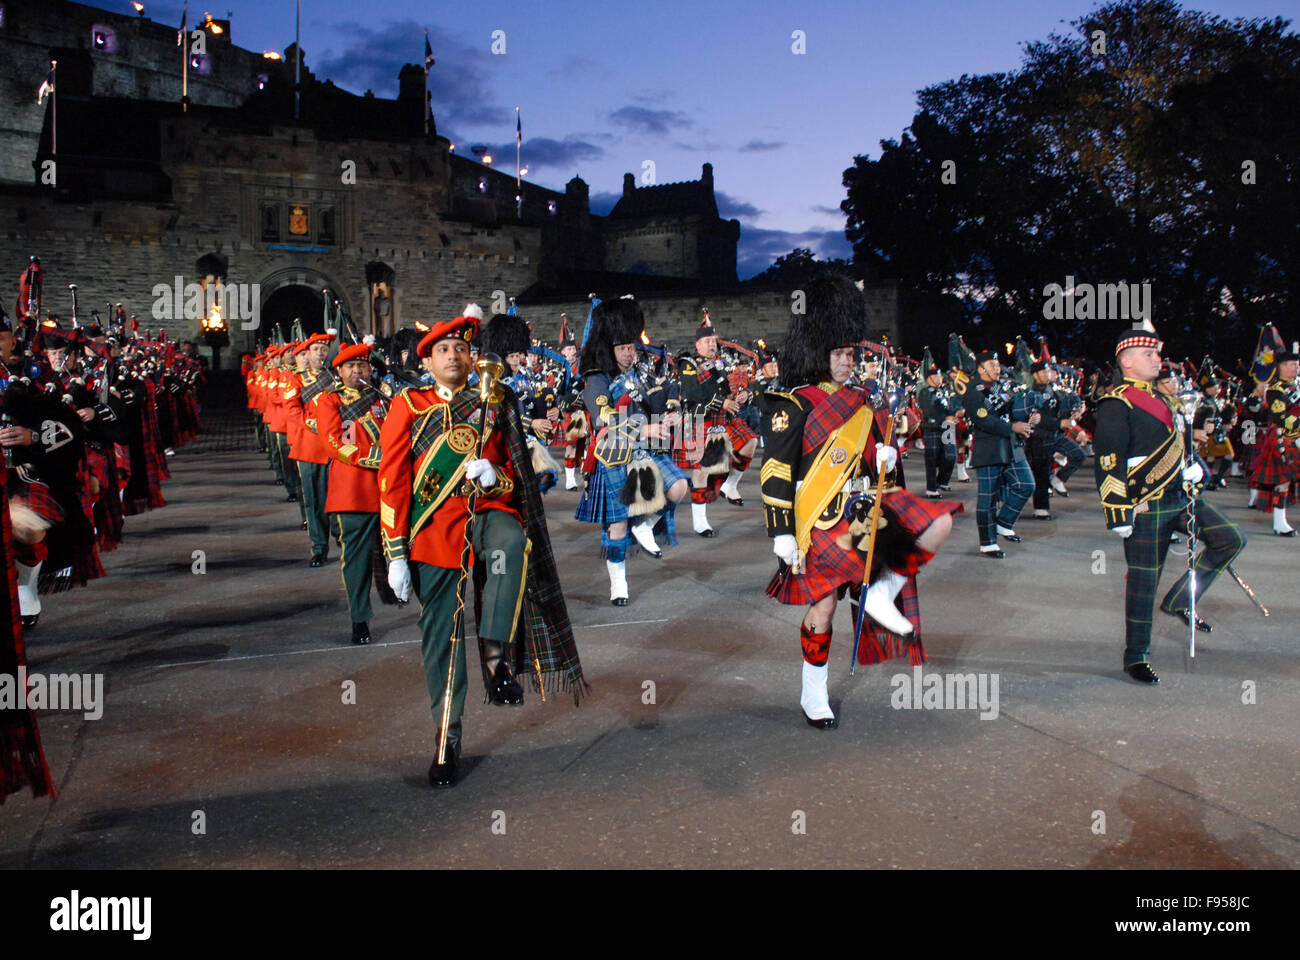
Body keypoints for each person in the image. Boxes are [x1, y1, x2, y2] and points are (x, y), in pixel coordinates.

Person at [378, 304, 584, 787]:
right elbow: (392, 480)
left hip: (488, 513)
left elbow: (517, 476)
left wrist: (496, 476)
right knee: (442, 637)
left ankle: (495, 657)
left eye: (463, 349)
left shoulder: (496, 401)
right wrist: (394, 554)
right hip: (434, 528)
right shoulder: (409, 405)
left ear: (474, 358)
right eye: (444, 349)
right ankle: (447, 735)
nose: (455, 355)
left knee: (512, 542)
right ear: (426, 361)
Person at [760, 275, 958, 730]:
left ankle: (881, 594)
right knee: (824, 608)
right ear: (817, 354)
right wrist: (782, 532)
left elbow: (872, 457)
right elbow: (777, 470)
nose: (848, 362)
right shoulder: (791, 403)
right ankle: (814, 691)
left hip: (864, 512)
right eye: (839, 354)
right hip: (819, 520)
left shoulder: (862, 402)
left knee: (938, 523)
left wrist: (885, 452)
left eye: (851, 353)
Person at [1093, 326, 1246, 684]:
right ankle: (1136, 655)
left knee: (1231, 539)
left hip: (1179, 497)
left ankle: (1179, 599)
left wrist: (1193, 469)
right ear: (1127, 361)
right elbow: (1108, 459)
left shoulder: (1165, 399)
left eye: (1156, 353)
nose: (1157, 359)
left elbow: (1177, 444)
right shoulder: (1118, 402)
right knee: (1144, 583)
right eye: (1149, 354)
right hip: (1144, 504)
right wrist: (1117, 511)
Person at [574, 297, 690, 602]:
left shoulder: (640, 370)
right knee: (617, 523)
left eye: (632, 347)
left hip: (644, 448)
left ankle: (646, 523)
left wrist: (670, 410)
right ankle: (618, 584)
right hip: (613, 451)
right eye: (623, 348)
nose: (630, 353)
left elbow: (664, 390)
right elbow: (603, 418)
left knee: (678, 486)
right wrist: (644, 428)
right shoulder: (596, 377)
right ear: (609, 348)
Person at [314, 342, 388, 645]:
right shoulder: (329, 401)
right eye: (350, 367)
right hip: (353, 490)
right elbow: (332, 441)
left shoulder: (385, 398)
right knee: (356, 560)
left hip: (387, 489)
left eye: (362, 366)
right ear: (339, 371)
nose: (357, 371)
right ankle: (360, 618)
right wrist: (373, 458)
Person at [675, 313, 758, 533]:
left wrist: (741, 396)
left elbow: (726, 389)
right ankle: (699, 521)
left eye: (714, 341)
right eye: (707, 341)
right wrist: (723, 403)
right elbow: (693, 391)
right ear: (698, 344)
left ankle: (731, 484)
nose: (712, 344)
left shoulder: (719, 364)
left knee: (750, 442)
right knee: (702, 471)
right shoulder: (688, 363)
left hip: (723, 419)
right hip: (701, 419)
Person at [962, 350, 1037, 557]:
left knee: (1026, 484)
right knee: (987, 499)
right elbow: (983, 420)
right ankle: (988, 543)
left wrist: (1030, 416)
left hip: (1011, 444)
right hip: (989, 447)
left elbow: (1012, 410)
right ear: (981, 368)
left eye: (997, 364)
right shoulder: (973, 391)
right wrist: (1013, 427)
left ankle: (1003, 523)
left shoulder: (999, 386)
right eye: (993, 365)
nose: (997, 368)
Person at [1255, 349, 1300, 536]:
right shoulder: (1276, 390)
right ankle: (1279, 523)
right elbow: (1280, 416)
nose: (1297, 367)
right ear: (1282, 366)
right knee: (1283, 482)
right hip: (1284, 439)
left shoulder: (1296, 387)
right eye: (1293, 364)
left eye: (1297, 364)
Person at [916, 361, 957, 498]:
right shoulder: (924, 392)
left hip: (947, 427)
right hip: (932, 427)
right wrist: (944, 419)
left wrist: (954, 415)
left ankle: (942, 481)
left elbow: (950, 406)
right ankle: (931, 488)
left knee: (951, 456)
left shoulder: (944, 390)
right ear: (930, 378)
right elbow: (928, 409)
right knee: (932, 459)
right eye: (938, 376)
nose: (940, 378)